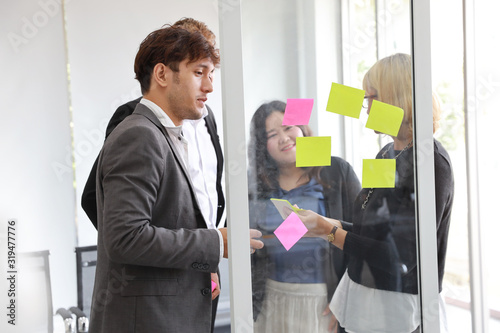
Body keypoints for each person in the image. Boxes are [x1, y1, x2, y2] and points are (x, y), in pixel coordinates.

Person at [89, 24, 263, 332]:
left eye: (211, 74)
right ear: (162, 74)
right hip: (149, 318)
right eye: (199, 72)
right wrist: (213, 242)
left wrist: (203, 262)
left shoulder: (164, 134)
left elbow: (174, 219)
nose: (209, 86)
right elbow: (125, 238)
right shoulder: (140, 136)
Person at [294, 53, 454, 333]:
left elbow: (399, 256)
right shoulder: (385, 154)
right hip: (367, 300)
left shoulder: (430, 161)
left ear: (396, 99)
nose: (366, 108)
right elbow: (374, 231)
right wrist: (329, 225)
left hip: (402, 311)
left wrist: (330, 233)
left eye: (372, 98)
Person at [247, 100, 361, 332]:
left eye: (289, 127)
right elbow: (238, 240)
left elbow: (362, 235)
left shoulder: (336, 170)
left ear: (302, 129)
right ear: (262, 144)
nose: (284, 138)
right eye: (272, 134)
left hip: (325, 301)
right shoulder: (255, 185)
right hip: (270, 299)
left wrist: (346, 299)